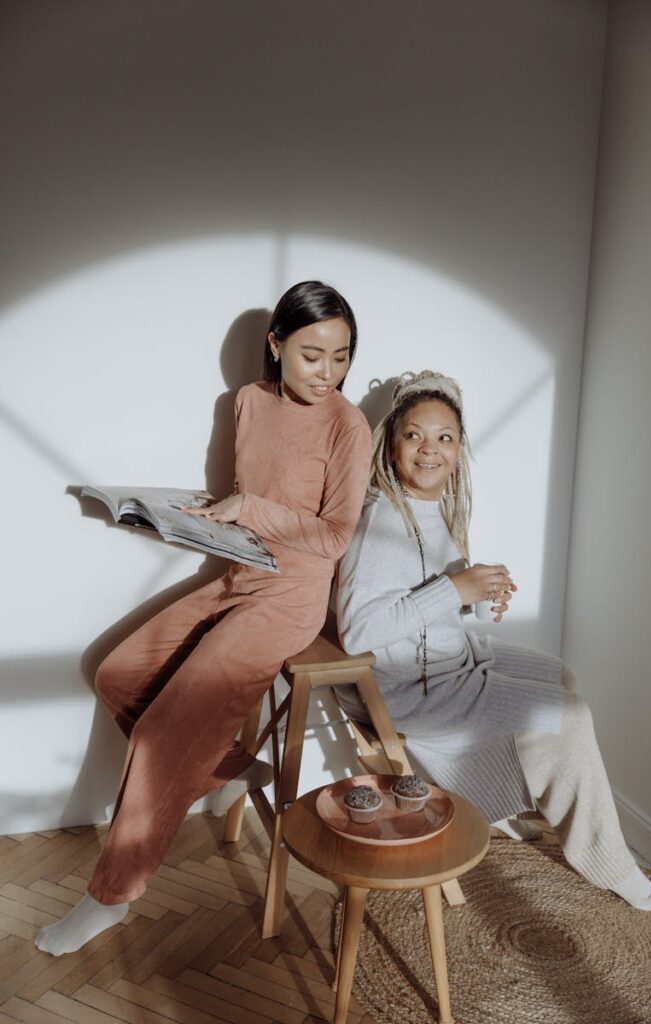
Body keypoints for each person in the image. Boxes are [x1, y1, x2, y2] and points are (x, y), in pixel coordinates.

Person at [36, 281, 372, 956]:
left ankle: (111, 896)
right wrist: (191, 513)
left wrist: (247, 509)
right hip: (236, 570)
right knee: (116, 673)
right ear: (274, 346)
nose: (327, 372)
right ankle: (226, 764)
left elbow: (333, 536)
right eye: (311, 355)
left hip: (290, 597)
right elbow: (243, 498)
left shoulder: (347, 425)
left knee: (163, 734)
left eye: (340, 357)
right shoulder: (246, 402)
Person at [335, 370, 651, 911]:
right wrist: (453, 589)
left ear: (459, 446)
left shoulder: (433, 506)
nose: (430, 450)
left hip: (447, 662)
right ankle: (607, 861)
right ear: (391, 440)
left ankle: (509, 804)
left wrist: (476, 595)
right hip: (412, 691)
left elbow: (425, 595)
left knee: (560, 674)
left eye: (445, 437)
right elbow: (358, 630)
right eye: (415, 435)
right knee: (572, 716)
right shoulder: (381, 520)